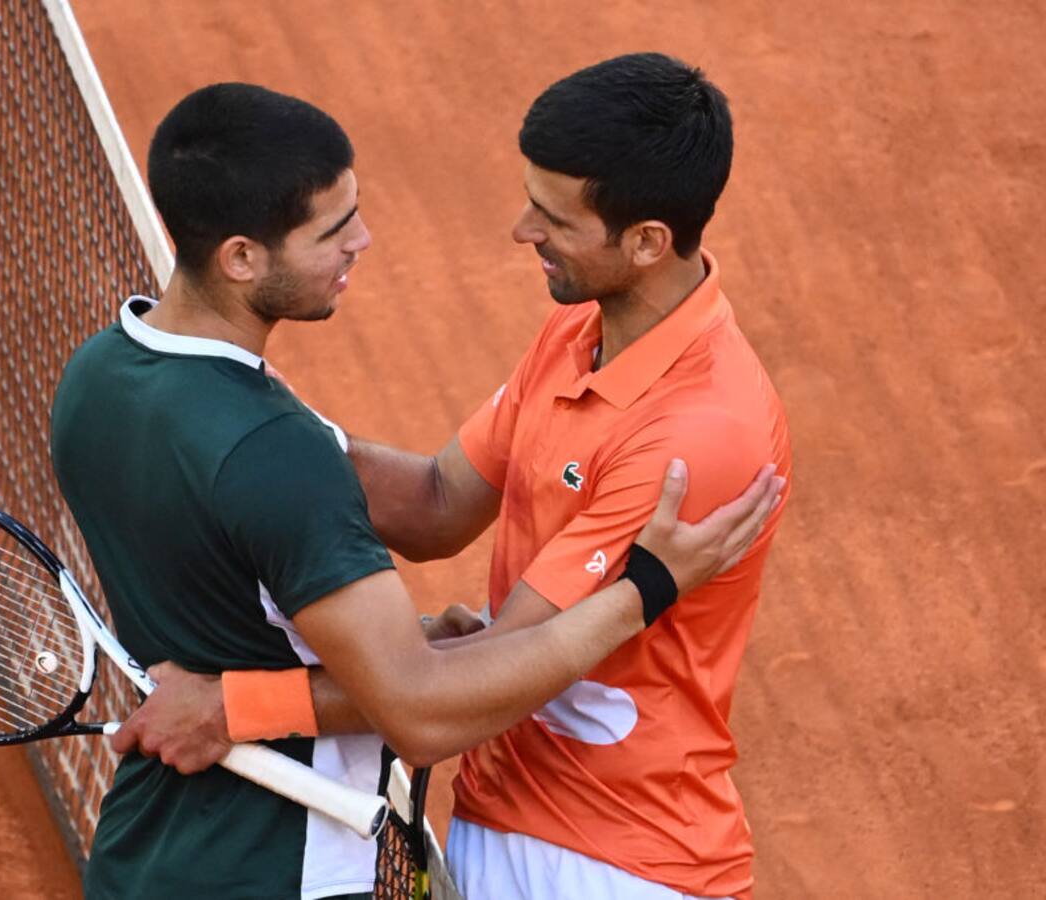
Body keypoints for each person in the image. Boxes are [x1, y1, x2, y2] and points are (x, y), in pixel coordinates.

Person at [51, 81, 782, 900]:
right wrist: (644, 589)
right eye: (334, 230)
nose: (521, 229)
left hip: (619, 858)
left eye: (553, 216)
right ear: (243, 258)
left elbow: (438, 535)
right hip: (399, 836)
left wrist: (241, 699)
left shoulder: (101, 376)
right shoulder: (569, 336)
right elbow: (428, 695)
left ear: (647, 241)